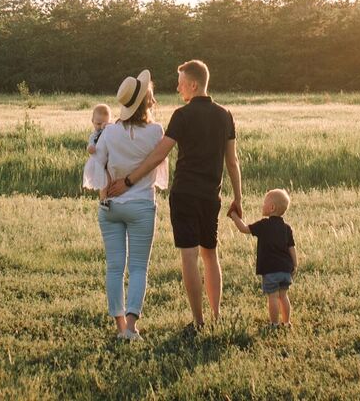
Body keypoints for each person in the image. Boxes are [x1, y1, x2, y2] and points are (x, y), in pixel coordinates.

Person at [100, 58, 242, 330]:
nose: (178, 90)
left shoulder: (182, 115)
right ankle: (216, 316)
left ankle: (198, 321)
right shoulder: (226, 115)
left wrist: (129, 180)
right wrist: (238, 197)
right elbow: (232, 162)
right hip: (212, 195)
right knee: (210, 253)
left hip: (185, 194)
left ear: (192, 84)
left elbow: (158, 155)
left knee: (189, 255)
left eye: (180, 85)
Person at [87, 71, 169, 341]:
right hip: (141, 206)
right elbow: (158, 172)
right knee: (138, 267)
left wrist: (104, 192)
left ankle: (119, 326)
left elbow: (96, 166)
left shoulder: (109, 133)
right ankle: (132, 328)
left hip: (110, 206)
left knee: (114, 267)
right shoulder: (156, 131)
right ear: (147, 102)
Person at [230, 188, 296, 328]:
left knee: (272, 297)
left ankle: (274, 323)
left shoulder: (263, 225)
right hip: (285, 270)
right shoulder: (287, 228)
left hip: (271, 270)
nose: (262, 205)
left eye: (264, 203)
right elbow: (292, 248)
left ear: (271, 208)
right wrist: (295, 265)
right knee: (283, 296)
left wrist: (234, 215)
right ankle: (287, 322)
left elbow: (244, 229)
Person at [82, 102, 111, 190]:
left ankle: (111, 197)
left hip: (110, 160)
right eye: (98, 124)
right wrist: (90, 148)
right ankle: (103, 199)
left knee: (110, 180)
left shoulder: (110, 130)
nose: (101, 126)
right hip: (99, 161)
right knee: (102, 182)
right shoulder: (93, 136)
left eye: (104, 123)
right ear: (92, 121)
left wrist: (108, 126)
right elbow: (91, 145)